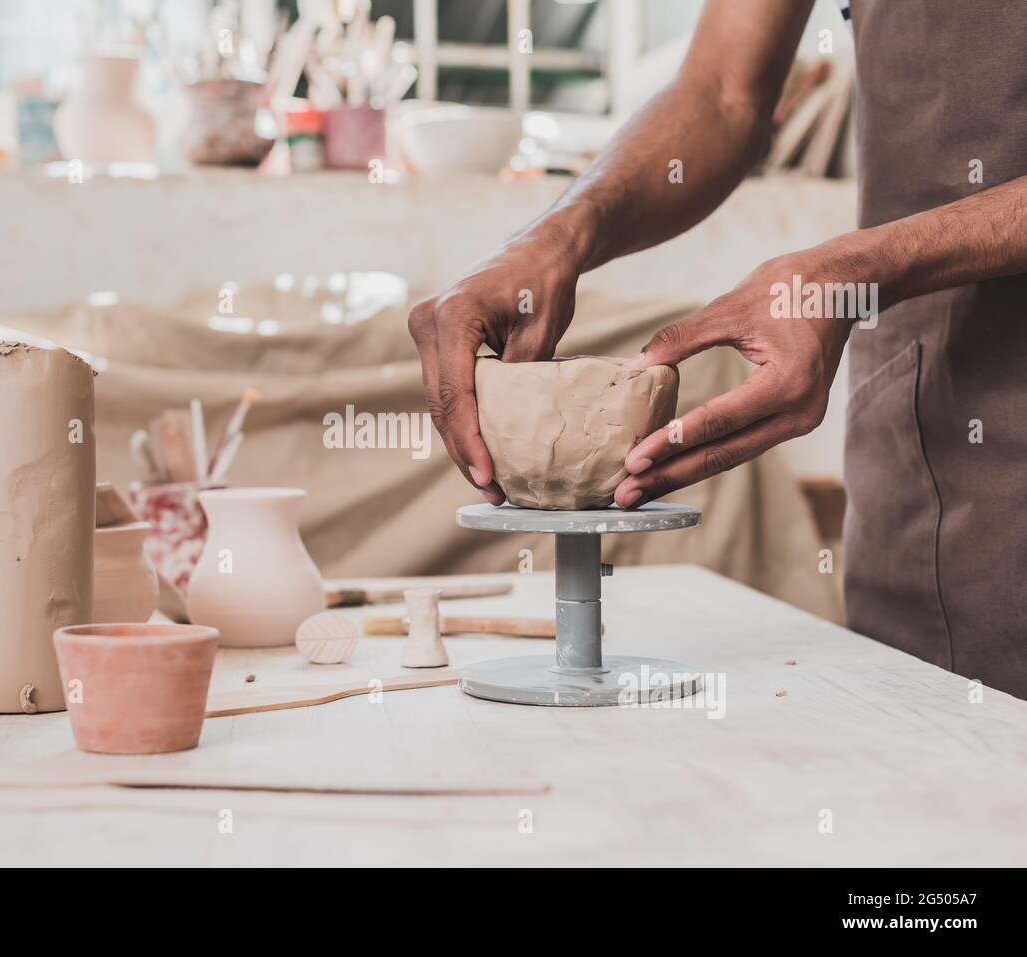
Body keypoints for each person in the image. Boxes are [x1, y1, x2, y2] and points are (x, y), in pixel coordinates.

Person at [407, 0, 1027, 698]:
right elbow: (721, 93)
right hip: (927, 435)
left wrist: (860, 267)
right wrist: (558, 235)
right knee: (919, 743)